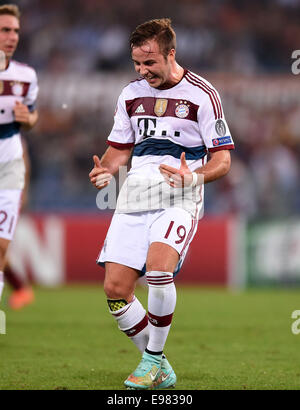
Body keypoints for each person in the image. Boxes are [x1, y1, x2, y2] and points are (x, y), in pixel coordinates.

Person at [89, 18, 234, 390]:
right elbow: (121, 148)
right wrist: (105, 170)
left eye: (149, 62)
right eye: (137, 63)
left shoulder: (203, 94)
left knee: (157, 271)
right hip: (136, 193)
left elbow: (222, 160)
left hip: (180, 193)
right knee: (115, 290)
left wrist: (194, 177)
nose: (142, 70)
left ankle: (151, 360)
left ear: (171, 54)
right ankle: (160, 365)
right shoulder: (130, 95)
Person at [0, 4, 38, 305]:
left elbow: (32, 118)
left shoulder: (26, 75)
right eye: (4, 30)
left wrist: (28, 118)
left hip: (10, 164)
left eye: (14, 30)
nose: (11, 36)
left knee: (1, 246)